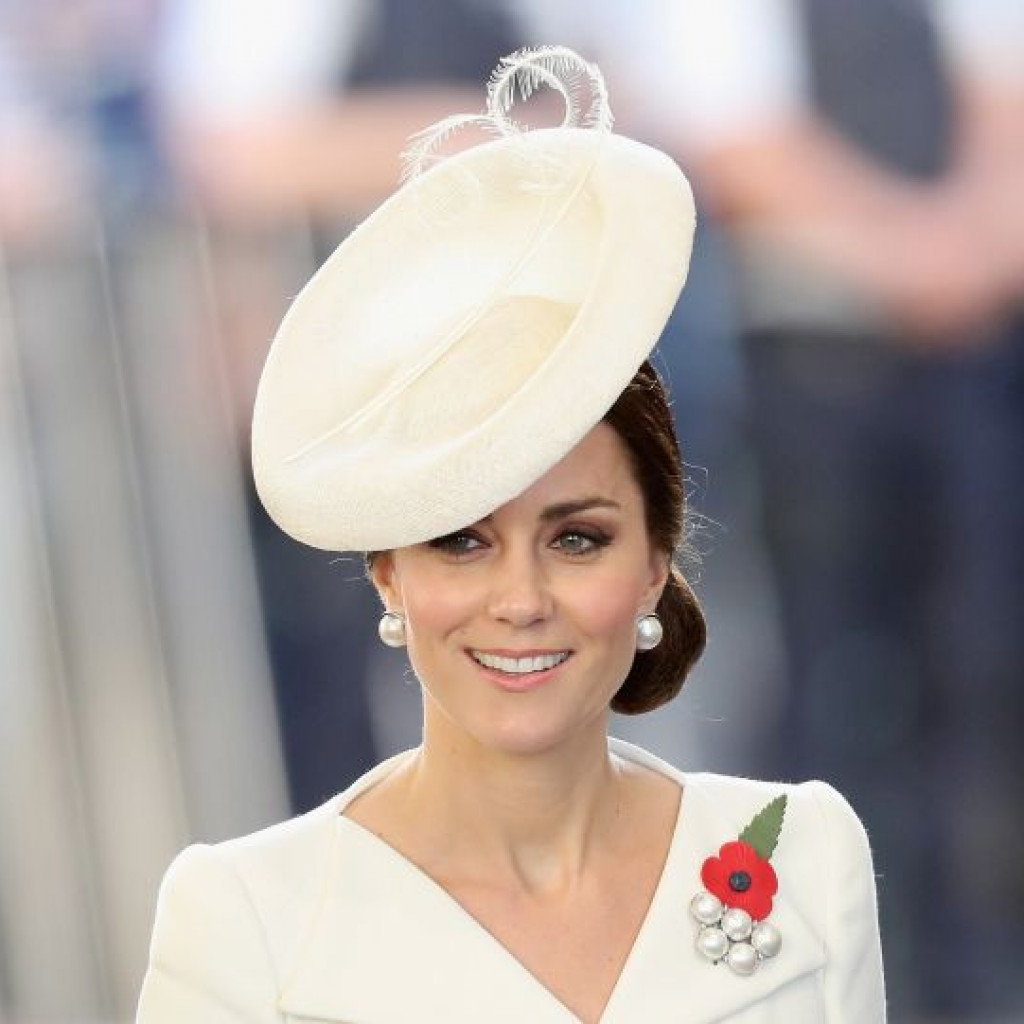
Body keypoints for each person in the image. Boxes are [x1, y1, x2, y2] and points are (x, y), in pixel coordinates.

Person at [136, 47, 885, 1023]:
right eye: (460, 540)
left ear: (656, 562)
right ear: (386, 571)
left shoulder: (805, 856)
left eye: (577, 540)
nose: (521, 599)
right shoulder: (246, 918)